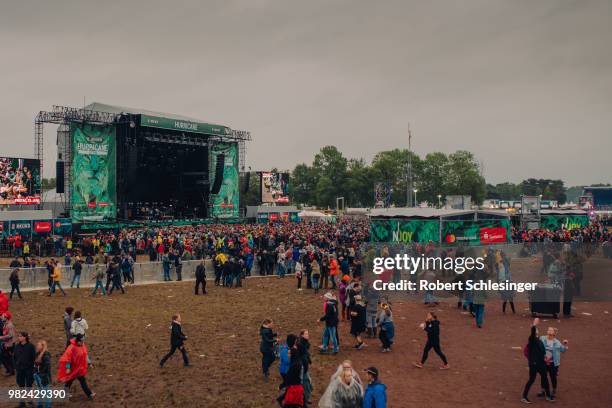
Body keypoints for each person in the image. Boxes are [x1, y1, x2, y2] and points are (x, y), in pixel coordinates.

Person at [522, 318, 554, 403]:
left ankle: (548, 395)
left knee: (545, 378)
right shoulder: (532, 339)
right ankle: (524, 396)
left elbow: (542, 351)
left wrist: (545, 358)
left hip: (541, 363)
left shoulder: (539, 340)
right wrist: (534, 324)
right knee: (532, 379)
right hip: (534, 364)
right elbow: (532, 331)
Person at [58, 334, 95, 400]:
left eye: (83, 341)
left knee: (76, 380)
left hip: (80, 368)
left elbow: (85, 355)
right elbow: (67, 359)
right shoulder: (71, 348)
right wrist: (68, 368)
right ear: (78, 341)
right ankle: (89, 394)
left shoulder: (82, 345)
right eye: (81, 341)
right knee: (71, 380)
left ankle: (89, 394)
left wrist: (89, 363)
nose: (83, 343)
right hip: (73, 368)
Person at [538, 327, 568, 399]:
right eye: (548, 329)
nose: (549, 331)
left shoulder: (557, 342)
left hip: (553, 363)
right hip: (543, 362)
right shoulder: (542, 338)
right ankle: (543, 390)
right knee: (543, 376)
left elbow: (563, 350)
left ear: (554, 333)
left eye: (551, 330)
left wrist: (565, 345)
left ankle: (554, 390)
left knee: (553, 377)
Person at [13, 331, 36, 405]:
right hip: (20, 369)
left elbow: (34, 358)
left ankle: (30, 401)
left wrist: (31, 367)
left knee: (29, 385)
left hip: (29, 369)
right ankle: (22, 402)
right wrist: (16, 366)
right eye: (19, 336)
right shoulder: (17, 346)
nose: (19, 337)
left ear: (25, 337)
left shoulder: (31, 346)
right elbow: (15, 357)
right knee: (21, 385)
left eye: (20, 336)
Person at [34, 340, 52, 408]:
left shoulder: (46, 355)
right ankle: (40, 404)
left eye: (38, 345)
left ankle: (48, 406)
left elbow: (47, 367)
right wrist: (35, 372)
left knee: (46, 391)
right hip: (37, 375)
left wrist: (41, 373)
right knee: (39, 390)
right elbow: (35, 363)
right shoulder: (37, 354)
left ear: (42, 346)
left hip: (43, 376)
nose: (37, 346)